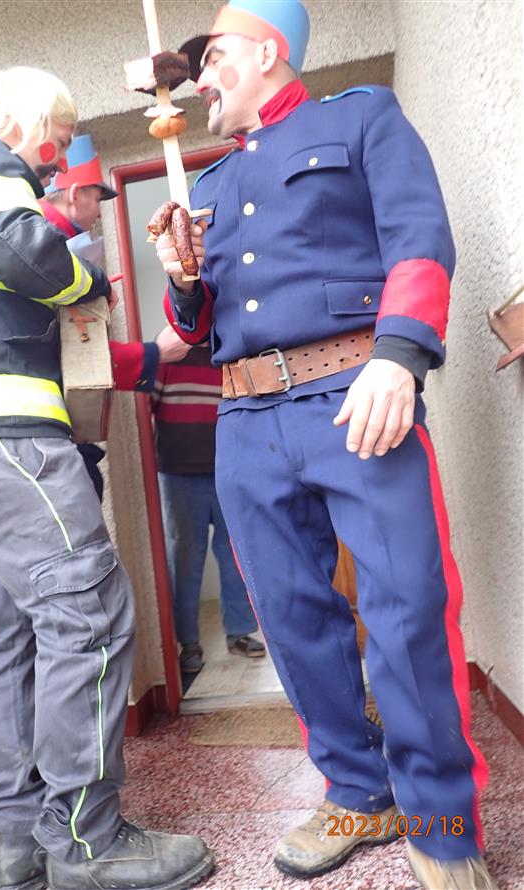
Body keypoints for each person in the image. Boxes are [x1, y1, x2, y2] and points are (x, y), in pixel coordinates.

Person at [155, 2, 497, 888]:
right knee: (291, 620)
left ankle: (440, 827)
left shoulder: (359, 118)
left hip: (354, 394)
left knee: (406, 608)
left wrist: (398, 356)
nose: (200, 79)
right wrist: (182, 283)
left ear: (268, 52)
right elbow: (196, 327)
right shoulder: (209, 186)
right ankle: (357, 791)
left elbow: (418, 239)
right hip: (245, 422)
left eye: (213, 57)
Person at [0, 66, 213, 890]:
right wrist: (87, 282)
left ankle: (21, 840)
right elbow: (11, 245)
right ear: (18, 121)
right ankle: (87, 843)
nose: (51, 161)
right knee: (87, 607)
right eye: (54, 140)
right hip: (0, 433)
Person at [40, 133, 192, 500]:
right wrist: (155, 353)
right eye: (96, 198)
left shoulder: (50, 242)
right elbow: (65, 354)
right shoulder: (47, 246)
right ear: (74, 194)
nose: (98, 212)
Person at [151, 337, 265, 673]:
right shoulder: (168, 353)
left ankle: (239, 633)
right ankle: (187, 642)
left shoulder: (228, 352)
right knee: (185, 558)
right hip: (179, 473)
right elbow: (145, 410)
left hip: (229, 471)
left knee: (236, 554)